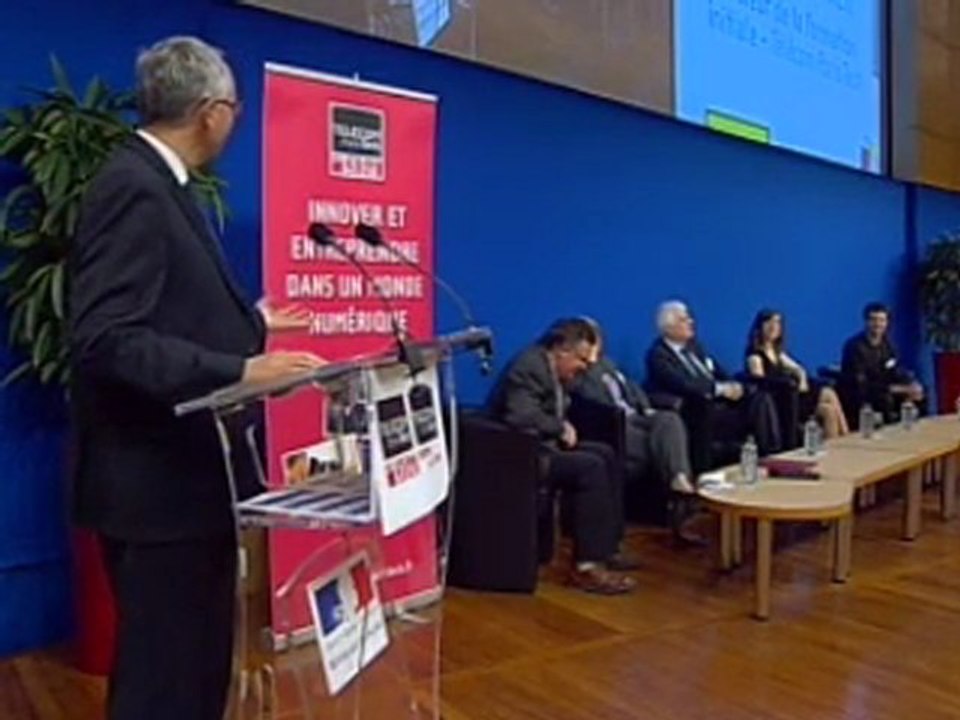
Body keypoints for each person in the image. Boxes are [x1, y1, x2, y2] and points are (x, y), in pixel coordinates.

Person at [68, 37, 322, 720]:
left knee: (195, 672)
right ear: (211, 112)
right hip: (157, 493)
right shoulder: (135, 187)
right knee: (164, 684)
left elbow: (167, 312)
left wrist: (252, 325)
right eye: (235, 109)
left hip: (184, 486)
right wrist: (240, 370)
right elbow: (106, 339)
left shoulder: (158, 183)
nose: (234, 122)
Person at [487, 318, 636, 594]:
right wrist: (559, 427)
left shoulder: (558, 370)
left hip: (545, 446)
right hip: (519, 454)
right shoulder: (529, 367)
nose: (585, 367)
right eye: (581, 359)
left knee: (605, 454)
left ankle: (606, 548)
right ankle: (586, 567)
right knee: (589, 467)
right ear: (561, 350)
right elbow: (520, 415)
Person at [645, 301, 781, 474]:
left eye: (690, 318)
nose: (691, 322)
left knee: (760, 398)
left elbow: (719, 372)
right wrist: (719, 389)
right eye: (683, 320)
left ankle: (770, 455)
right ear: (668, 327)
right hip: (696, 405)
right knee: (704, 405)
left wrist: (734, 386)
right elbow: (683, 384)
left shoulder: (696, 348)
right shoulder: (658, 355)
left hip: (719, 400)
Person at [745, 309, 849, 442]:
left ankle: (844, 438)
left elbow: (798, 369)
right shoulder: (755, 355)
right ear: (760, 327)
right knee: (827, 406)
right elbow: (760, 382)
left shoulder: (777, 352)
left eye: (777, 323)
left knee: (829, 400)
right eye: (769, 322)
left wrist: (802, 378)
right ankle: (843, 441)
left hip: (793, 395)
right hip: (779, 402)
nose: (773, 327)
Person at [840, 302, 925, 426]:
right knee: (885, 399)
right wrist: (895, 389)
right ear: (866, 322)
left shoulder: (888, 345)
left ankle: (914, 431)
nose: (877, 324)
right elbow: (860, 384)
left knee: (919, 393)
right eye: (873, 320)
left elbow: (896, 370)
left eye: (881, 320)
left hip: (886, 388)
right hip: (863, 393)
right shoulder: (854, 347)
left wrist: (911, 384)